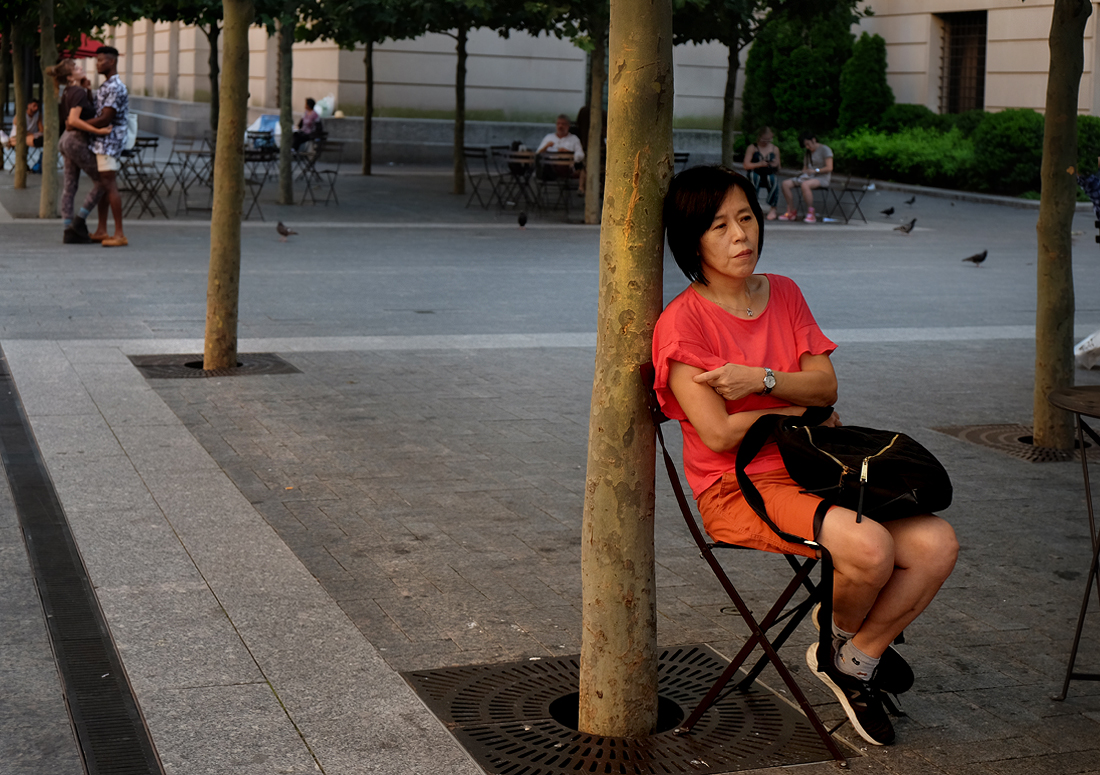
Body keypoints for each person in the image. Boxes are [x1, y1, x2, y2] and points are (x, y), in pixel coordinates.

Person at [653, 166, 958, 747]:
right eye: (719, 226)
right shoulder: (682, 323)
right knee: (871, 547)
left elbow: (828, 388)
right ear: (692, 239)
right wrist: (795, 407)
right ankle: (848, 635)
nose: (740, 236)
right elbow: (718, 435)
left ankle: (851, 654)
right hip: (738, 488)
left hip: (816, 469)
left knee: (938, 544)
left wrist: (757, 380)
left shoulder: (784, 293)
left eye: (746, 218)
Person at [69, 46, 129, 248]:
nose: (97, 64)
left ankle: (119, 233)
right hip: (101, 141)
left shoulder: (114, 86)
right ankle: (102, 229)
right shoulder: (105, 85)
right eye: (97, 60)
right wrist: (86, 90)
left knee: (109, 183)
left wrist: (77, 125)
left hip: (109, 141)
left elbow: (105, 118)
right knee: (104, 185)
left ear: (112, 62)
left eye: (101, 60)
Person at [48, 59, 110, 243]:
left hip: (66, 141)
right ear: (69, 77)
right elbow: (74, 120)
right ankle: (78, 221)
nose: (80, 67)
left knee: (70, 187)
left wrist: (88, 89)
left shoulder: (70, 91)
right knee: (103, 181)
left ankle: (69, 229)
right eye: (76, 68)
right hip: (76, 141)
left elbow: (76, 116)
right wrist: (98, 130)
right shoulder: (77, 92)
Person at [779, 131, 833, 223]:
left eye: (808, 144)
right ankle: (791, 210)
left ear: (813, 140)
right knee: (785, 184)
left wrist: (815, 170)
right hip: (808, 176)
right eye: (806, 146)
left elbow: (829, 167)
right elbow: (805, 167)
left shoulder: (825, 150)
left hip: (821, 177)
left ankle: (810, 212)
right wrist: (803, 171)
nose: (808, 147)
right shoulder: (807, 153)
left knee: (805, 185)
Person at [536, 114, 586, 194]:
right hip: (549, 169)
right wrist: (546, 147)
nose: (560, 126)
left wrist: (568, 153)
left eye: (563, 124)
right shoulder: (549, 138)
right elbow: (538, 154)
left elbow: (580, 155)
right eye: (558, 124)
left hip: (566, 169)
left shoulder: (574, 139)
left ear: (568, 126)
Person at [743, 126, 781, 221]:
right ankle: (753, 205)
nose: (766, 142)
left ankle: (772, 207)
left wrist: (775, 164)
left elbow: (779, 166)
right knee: (754, 178)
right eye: (764, 139)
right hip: (756, 171)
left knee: (773, 179)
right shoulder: (753, 148)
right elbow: (746, 165)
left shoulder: (774, 149)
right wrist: (759, 164)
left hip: (768, 172)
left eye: (768, 140)